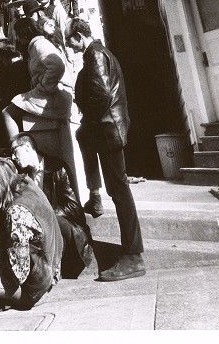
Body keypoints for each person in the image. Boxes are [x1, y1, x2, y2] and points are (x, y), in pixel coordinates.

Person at [65, 17, 145, 281]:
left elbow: (100, 95)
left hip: (107, 130)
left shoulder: (95, 55)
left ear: (79, 35)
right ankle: (96, 194)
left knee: (120, 191)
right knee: (119, 189)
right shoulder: (99, 53)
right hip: (109, 129)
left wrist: (87, 120)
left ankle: (133, 257)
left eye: (70, 40)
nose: (70, 46)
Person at [0, 157, 63, 317]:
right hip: (47, 269)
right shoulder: (26, 184)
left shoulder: (16, 213)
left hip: (33, 288)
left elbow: (19, 273)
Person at [10, 133, 93, 277]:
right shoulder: (22, 175)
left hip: (65, 230)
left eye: (15, 151)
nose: (13, 157)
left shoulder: (57, 168)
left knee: (53, 222)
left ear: (27, 147)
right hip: (41, 234)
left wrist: (43, 214)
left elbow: (74, 208)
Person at [2, 17, 73, 140]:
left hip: (54, 96)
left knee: (8, 112)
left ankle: (17, 148)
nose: (17, 39)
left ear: (23, 34)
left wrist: (45, 86)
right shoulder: (38, 44)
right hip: (54, 95)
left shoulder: (40, 45)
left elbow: (57, 66)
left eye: (17, 35)